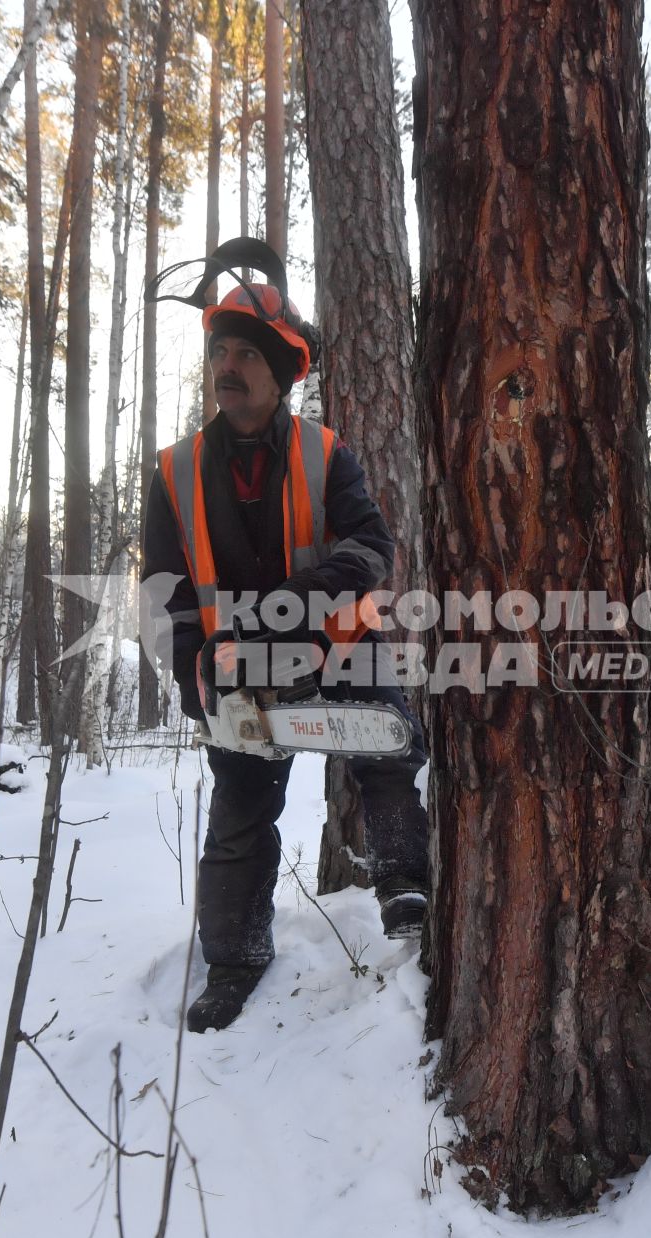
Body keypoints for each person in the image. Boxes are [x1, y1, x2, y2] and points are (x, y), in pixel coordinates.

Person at [141, 281, 429, 1033]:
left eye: (245, 354)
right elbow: (165, 594)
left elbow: (371, 544)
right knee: (240, 808)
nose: (227, 366)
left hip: (334, 644)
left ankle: (405, 886)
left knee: (388, 747)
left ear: (281, 372)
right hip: (235, 667)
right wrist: (193, 677)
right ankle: (233, 957)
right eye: (220, 352)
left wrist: (300, 601)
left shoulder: (325, 453)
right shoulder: (173, 471)